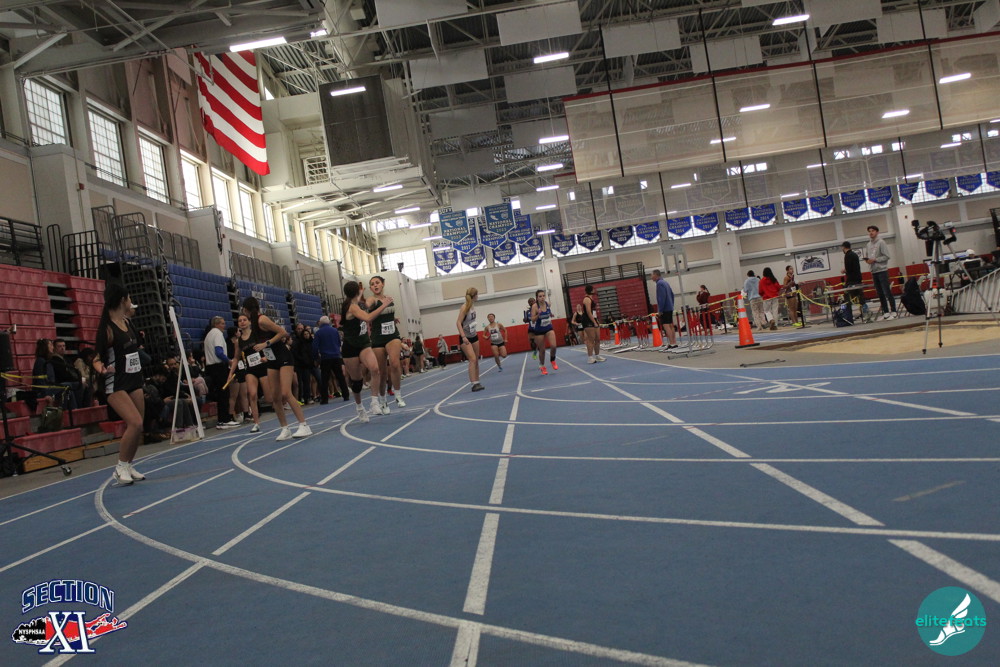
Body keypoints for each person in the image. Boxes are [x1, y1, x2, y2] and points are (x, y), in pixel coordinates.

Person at [93, 284, 146, 485]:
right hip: (115, 383)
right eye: (129, 298)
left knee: (139, 426)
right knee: (135, 422)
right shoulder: (107, 329)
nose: (131, 301)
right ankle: (120, 466)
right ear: (122, 300)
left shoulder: (127, 322)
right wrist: (101, 369)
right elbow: (96, 358)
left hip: (134, 379)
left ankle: (129, 465)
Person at [242, 297, 311, 440]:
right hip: (271, 360)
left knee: (286, 392)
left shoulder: (262, 320)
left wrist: (266, 344)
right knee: (275, 397)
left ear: (246, 310)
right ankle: (285, 428)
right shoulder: (253, 324)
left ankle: (304, 425)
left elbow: (282, 332)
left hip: (283, 357)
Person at [341, 281, 394, 421]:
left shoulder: (356, 302)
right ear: (356, 292)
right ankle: (360, 408)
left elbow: (358, 300)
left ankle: (374, 402)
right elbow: (368, 318)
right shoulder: (352, 307)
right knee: (357, 382)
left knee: (375, 369)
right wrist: (383, 305)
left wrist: (360, 293)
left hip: (363, 344)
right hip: (350, 346)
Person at [367, 275, 406, 412]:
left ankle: (398, 395)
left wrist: (393, 319)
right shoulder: (371, 300)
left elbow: (385, 314)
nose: (375, 285)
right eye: (372, 284)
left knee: (395, 364)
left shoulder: (389, 298)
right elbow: (367, 309)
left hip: (392, 335)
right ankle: (383, 401)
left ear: (383, 284)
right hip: (378, 338)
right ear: (371, 288)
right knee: (382, 372)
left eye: (377, 282)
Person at [224, 314, 267, 433]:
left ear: (249, 322)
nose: (242, 322)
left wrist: (266, 357)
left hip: (262, 366)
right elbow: (236, 358)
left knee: (269, 397)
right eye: (240, 321)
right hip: (250, 369)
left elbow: (267, 346)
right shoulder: (238, 341)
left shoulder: (256, 334)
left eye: (244, 320)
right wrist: (230, 373)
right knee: (252, 394)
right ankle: (256, 423)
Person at [204, 316, 238, 428]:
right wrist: (229, 361)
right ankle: (224, 419)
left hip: (211, 367)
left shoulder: (208, 335)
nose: (224, 326)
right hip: (218, 367)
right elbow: (218, 352)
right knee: (224, 393)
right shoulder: (217, 334)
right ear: (216, 324)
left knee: (220, 393)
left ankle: (222, 420)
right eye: (222, 323)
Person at [313, 315, 349, 403]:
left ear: (320, 323)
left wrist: (316, 358)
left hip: (325, 358)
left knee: (325, 379)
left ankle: (325, 399)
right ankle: (346, 395)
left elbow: (315, 347)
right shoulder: (335, 330)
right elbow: (339, 342)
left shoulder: (318, 333)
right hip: (336, 356)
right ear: (328, 322)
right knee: (340, 377)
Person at [865, 225, 897, 320]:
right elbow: (868, 256)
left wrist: (875, 260)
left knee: (887, 291)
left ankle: (894, 311)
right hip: (873, 271)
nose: (871, 233)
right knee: (879, 293)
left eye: (873, 231)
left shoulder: (881, 242)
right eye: (869, 231)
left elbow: (887, 256)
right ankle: (886, 311)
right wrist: (868, 261)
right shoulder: (868, 245)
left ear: (877, 232)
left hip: (882, 271)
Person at [457, 287, 484, 390]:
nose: (478, 296)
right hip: (466, 337)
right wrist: (463, 336)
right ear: (474, 295)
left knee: (476, 359)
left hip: (474, 335)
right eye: (477, 294)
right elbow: (458, 322)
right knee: (472, 359)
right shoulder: (464, 307)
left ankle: (477, 381)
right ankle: (473, 384)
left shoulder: (472, 306)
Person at [530, 289, 558, 375]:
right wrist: (538, 314)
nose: (542, 297)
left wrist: (550, 314)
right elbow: (532, 320)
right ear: (537, 298)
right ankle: (542, 365)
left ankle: (552, 360)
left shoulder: (548, 304)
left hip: (548, 328)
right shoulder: (535, 306)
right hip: (539, 330)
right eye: (540, 296)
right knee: (542, 350)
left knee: (553, 346)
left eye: (543, 296)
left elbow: (548, 313)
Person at [652, 270, 678, 348]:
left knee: (666, 325)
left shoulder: (659, 284)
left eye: (652, 275)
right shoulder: (665, 282)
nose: (651, 277)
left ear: (656, 275)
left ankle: (671, 343)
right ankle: (674, 342)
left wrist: (660, 310)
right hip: (669, 306)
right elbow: (672, 294)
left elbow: (661, 298)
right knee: (671, 325)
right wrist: (671, 305)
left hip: (665, 307)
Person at [581, 284, 606, 363]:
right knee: (591, 339)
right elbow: (588, 312)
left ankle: (597, 355)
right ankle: (590, 357)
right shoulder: (587, 299)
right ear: (591, 290)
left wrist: (596, 320)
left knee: (597, 339)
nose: (594, 290)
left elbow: (593, 311)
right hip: (588, 320)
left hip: (593, 318)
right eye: (593, 289)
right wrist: (594, 322)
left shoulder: (591, 298)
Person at [842, 241, 864, 320]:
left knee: (846, 297)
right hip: (858, 278)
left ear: (844, 247)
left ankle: (848, 316)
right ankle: (864, 312)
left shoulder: (847, 255)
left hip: (852, 280)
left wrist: (844, 270)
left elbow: (849, 268)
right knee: (860, 296)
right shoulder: (854, 254)